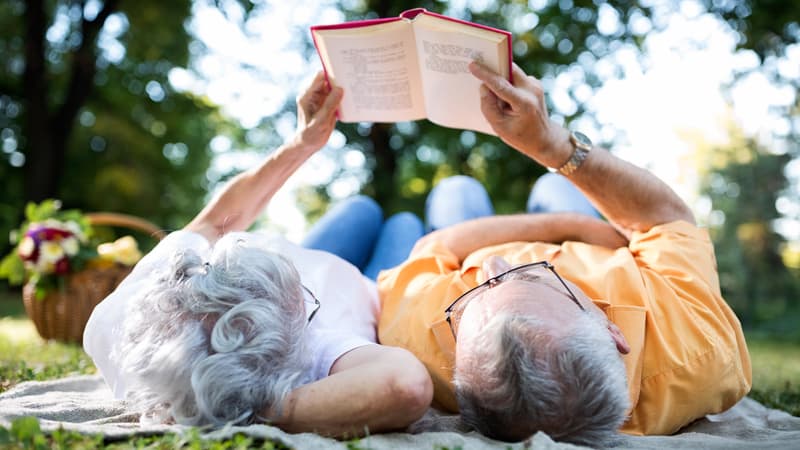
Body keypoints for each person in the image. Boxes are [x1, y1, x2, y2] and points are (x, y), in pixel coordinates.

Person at [376, 61, 752, 446]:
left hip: (467, 243)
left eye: (477, 295)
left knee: (456, 189)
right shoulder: (699, 345)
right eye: (532, 275)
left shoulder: (419, 338)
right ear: (613, 332)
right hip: (599, 241)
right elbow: (666, 219)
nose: (495, 263)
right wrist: (551, 150)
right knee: (556, 186)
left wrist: (559, 228)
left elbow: (434, 248)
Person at [83, 72, 433, 437]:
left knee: (360, 208)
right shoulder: (308, 358)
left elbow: (218, 219)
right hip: (372, 288)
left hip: (314, 255)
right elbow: (406, 386)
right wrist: (258, 411)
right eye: (303, 303)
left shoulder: (119, 316)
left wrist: (303, 143)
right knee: (406, 223)